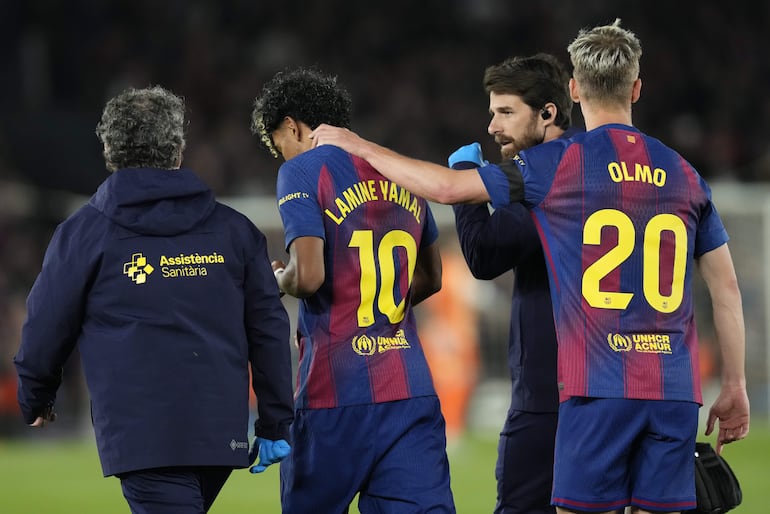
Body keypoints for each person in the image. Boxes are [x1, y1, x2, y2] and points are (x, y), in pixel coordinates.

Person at [311, 20, 750, 514]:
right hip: (673, 390)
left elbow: (448, 190)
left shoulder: (562, 163)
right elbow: (727, 289)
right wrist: (735, 385)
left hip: (598, 387)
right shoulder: (685, 173)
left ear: (574, 90)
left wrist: (360, 145)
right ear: (636, 89)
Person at [14, 86, 294, 513]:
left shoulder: (84, 234)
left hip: (143, 440)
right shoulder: (235, 232)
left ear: (109, 151)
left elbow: (47, 321)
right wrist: (275, 421)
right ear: (178, 150)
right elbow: (268, 328)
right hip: (219, 435)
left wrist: (35, 395)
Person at [250, 67, 455, 514]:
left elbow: (308, 277)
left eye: (279, 144)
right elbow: (431, 277)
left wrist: (278, 279)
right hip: (409, 390)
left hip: (334, 391)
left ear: (292, 127)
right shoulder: (399, 168)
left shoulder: (302, 171)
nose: (283, 155)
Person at [452, 53, 575, 514]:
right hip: (610, 382)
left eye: (506, 112)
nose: (493, 127)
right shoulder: (595, 167)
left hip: (547, 393)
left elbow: (483, 255)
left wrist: (466, 181)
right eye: (493, 112)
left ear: (547, 113)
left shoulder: (542, 177)